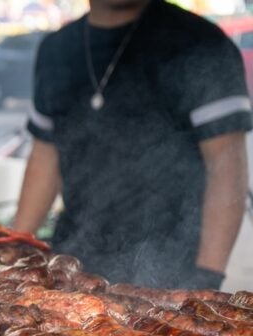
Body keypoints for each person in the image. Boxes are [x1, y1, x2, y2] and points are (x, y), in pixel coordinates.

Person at [13, 0, 251, 289]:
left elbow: (225, 164)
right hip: (72, 263)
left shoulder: (202, 44)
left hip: (172, 271)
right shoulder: (56, 49)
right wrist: (14, 245)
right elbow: (45, 157)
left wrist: (208, 276)